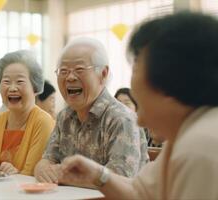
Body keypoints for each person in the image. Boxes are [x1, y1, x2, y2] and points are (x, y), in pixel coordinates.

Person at [59, 12, 218, 199]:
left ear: (168, 82)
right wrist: (97, 175)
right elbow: (141, 193)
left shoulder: (200, 147)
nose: (140, 122)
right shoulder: (184, 136)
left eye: (136, 66)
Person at [35, 37, 149, 183]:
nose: (70, 77)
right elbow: (47, 160)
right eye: (63, 71)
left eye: (79, 70)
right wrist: (42, 169)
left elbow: (119, 179)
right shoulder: (64, 116)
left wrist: (64, 176)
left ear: (103, 74)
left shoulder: (121, 119)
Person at [0, 50, 55, 176]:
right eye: (6, 81)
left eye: (20, 81)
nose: (12, 88)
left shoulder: (43, 122)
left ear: (35, 87)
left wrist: (15, 173)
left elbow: (31, 173)